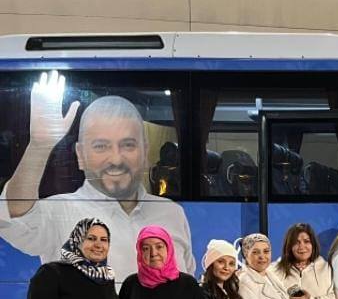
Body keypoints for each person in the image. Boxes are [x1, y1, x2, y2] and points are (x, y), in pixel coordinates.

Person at [0, 86, 195, 281]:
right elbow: (15, 213)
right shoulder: (59, 211)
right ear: (80, 155)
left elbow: (188, 288)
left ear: (145, 151)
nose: (116, 159)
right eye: (101, 146)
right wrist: (39, 146)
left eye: (128, 145)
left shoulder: (172, 213)